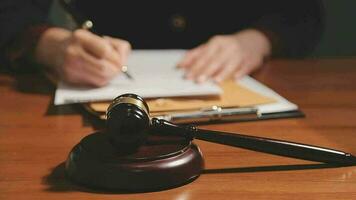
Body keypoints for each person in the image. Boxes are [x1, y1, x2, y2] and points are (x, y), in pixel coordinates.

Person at [0, 0, 324, 87]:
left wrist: (259, 39)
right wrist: (49, 44)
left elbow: (303, 11)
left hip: (241, 83)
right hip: (99, 82)